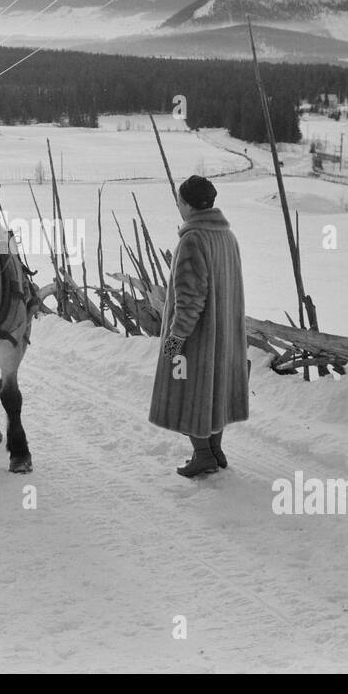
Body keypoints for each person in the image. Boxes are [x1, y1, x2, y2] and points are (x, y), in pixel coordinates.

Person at [148, 175, 250, 477]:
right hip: (225, 336)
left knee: (188, 390)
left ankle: (203, 454)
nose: (178, 205)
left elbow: (190, 300)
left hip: (197, 338)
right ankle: (215, 450)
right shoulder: (226, 236)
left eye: (179, 200)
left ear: (189, 205)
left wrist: (174, 340)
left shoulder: (193, 239)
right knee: (215, 392)